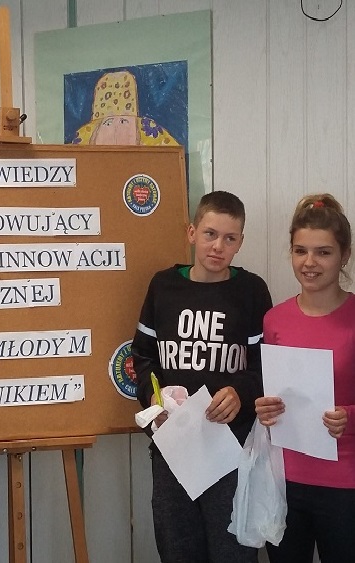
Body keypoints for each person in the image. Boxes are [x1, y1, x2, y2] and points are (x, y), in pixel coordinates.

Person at [131, 190, 273, 562]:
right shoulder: (163, 286)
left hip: (232, 450)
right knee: (178, 550)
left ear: (240, 242)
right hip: (173, 448)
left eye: (229, 238)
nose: (218, 246)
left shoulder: (252, 291)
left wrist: (240, 391)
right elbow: (142, 357)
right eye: (210, 234)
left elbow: (266, 365)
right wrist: (153, 397)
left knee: (233, 552)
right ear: (192, 232)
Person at [255, 193, 355, 562]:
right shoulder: (275, 319)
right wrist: (264, 409)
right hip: (284, 481)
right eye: (300, 251)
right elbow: (273, 394)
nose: (309, 263)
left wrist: (350, 417)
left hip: (345, 483)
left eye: (323, 252)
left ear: (344, 256)